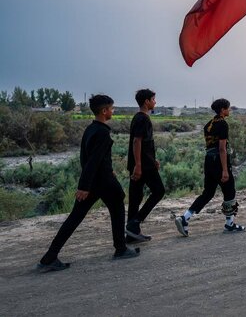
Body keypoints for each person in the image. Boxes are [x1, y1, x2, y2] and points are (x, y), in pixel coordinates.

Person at [37, 95, 140, 272]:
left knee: (76, 216)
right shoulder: (102, 132)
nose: (113, 111)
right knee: (117, 206)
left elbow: (87, 158)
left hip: (96, 180)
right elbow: (93, 161)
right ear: (104, 111)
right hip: (102, 181)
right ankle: (121, 249)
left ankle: (49, 257)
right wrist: (84, 186)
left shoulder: (91, 129)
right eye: (112, 108)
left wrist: (91, 180)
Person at [174, 98, 244, 236]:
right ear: (223, 110)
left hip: (209, 161)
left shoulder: (208, 124)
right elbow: (222, 148)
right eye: (228, 108)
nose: (229, 110)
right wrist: (225, 170)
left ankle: (185, 218)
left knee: (208, 193)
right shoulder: (223, 124)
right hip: (219, 161)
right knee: (230, 191)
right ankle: (230, 224)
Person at [125, 89, 165, 243]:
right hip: (144, 166)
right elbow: (137, 142)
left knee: (136, 198)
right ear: (146, 101)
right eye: (154, 99)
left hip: (144, 163)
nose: (155, 102)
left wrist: (152, 159)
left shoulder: (138, 117)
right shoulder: (143, 119)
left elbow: (144, 144)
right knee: (159, 191)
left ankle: (131, 235)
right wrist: (139, 165)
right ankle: (135, 222)